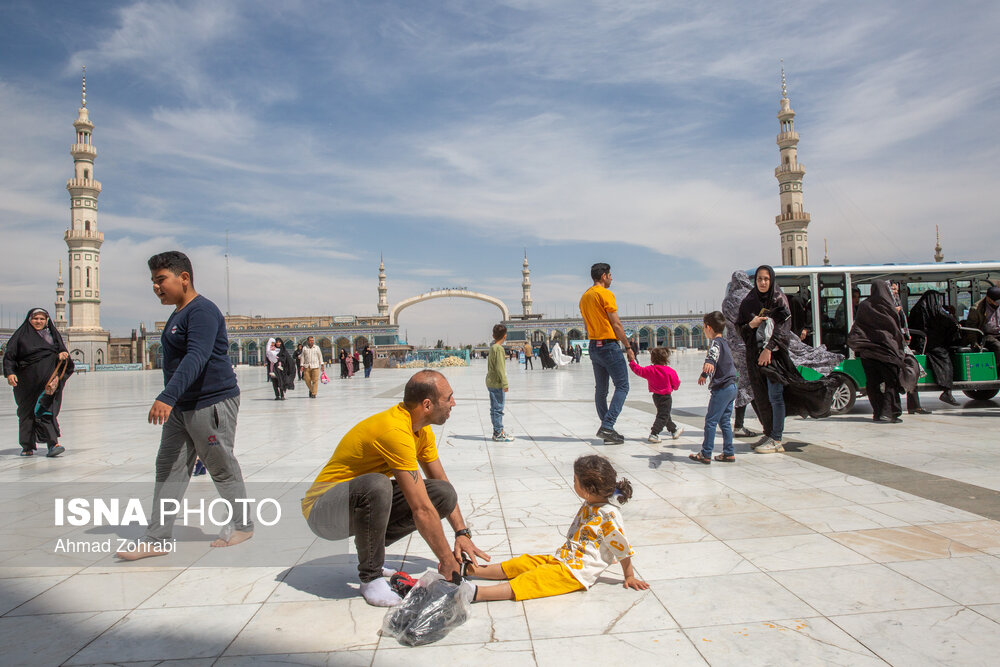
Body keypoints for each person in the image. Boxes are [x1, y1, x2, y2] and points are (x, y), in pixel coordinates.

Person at [302, 370, 489, 607]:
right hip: (322, 511)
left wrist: (462, 533)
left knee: (443, 494)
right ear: (428, 405)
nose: (453, 403)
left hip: (352, 505)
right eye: (448, 398)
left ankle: (373, 553)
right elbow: (421, 508)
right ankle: (370, 577)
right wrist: (447, 563)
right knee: (377, 486)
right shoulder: (395, 431)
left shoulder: (421, 430)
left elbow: (440, 481)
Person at [117, 251, 253, 560]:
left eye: (161, 279)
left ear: (184, 278)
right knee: (169, 468)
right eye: (153, 281)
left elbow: (197, 356)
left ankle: (243, 525)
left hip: (211, 402)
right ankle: (156, 538)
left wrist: (167, 395)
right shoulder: (179, 312)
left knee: (220, 465)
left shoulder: (201, 311)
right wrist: (174, 397)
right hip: (183, 405)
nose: (156, 287)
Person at [463, 455, 648, 602]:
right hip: (562, 559)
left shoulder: (609, 515)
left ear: (588, 489)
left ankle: (475, 593)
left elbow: (621, 548)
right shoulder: (591, 502)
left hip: (574, 573)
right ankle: (470, 570)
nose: (573, 483)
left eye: (575, 480)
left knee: (532, 580)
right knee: (524, 562)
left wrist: (629, 575)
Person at [737, 265, 838, 454]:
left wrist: (768, 349)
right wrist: (752, 323)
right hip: (755, 357)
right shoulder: (749, 302)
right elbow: (740, 328)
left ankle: (777, 438)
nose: (763, 282)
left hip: (775, 356)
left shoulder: (778, 300)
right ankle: (769, 432)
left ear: (772, 280)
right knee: (762, 397)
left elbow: (783, 328)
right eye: (759, 279)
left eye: (766, 279)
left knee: (775, 395)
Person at [3, 308, 74, 457]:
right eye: (36, 319)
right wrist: (10, 373)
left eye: (42, 319)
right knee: (26, 414)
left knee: (45, 410)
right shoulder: (20, 336)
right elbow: (9, 356)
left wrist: (63, 354)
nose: (39, 321)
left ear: (47, 320)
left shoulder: (52, 336)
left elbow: (63, 351)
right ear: (30, 319)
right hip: (26, 383)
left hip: (48, 383)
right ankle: (27, 446)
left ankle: (53, 444)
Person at [579, 263, 635, 445]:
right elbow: (616, 324)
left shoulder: (585, 297)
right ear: (603, 276)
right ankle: (608, 426)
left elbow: (587, 326)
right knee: (622, 386)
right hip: (609, 346)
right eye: (610, 275)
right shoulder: (605, 294)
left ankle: (606, 429)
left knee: (601, 390)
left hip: (594, 346)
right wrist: (628, 347)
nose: (611, 278)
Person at [849, 280, 907, 423]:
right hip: (887, 351)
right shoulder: (889, 306)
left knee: (873, 384)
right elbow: (895, 329)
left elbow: (858, 326)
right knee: (891, 382)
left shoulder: (864, 305)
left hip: (868, 353)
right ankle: (888, 412)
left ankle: (877, 411)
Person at [689, 312, 739, 463]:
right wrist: (705, 373)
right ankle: (729, 452)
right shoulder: (725, 342)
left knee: (711, 421)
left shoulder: (715, 343)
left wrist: (707, 367)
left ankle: (706, 453)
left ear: (708, 327)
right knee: (724, 421)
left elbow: (713, 356)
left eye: (704, 327)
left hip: (722, 388)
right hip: (732, 387)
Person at [909, 290, 961, 406]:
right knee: (945, 359)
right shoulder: (937, 311)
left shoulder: (915, 309)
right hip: (932, 344)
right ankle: (947, 390)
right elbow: (952, 323)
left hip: (919, 343)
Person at [890, 282, 931, 415]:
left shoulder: (897, 302)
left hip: (902, 344)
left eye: (896, 289)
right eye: (893, 289)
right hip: (892, 345)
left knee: (913, 370)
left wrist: (906, 335)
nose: (896, 292)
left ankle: (914, 405)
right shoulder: (884, 304)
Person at [628, 347, 682, 443]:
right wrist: (674, 387)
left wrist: (632, 361)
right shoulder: (670, 371)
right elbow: (676, 384)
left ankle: (674, 430)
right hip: (666, 397)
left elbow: (638, 370)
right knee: (663, 415)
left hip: (656, 397)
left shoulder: (650, 370)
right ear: (666, 358)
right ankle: (654, 433)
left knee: (665, 414)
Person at [486, 324, 514, 442]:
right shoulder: (499, 349)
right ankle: (498, 433)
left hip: (490, 381)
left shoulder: (492, 348)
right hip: (497, 382)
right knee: (498, 408)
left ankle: (496, 431)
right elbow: (500, 368)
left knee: (494, 409)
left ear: (493, 335)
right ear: (505, 336)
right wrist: (505, 383)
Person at [964, 286, 1000, 363]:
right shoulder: (977, 308)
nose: (997, 304)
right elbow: (971, 326)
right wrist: (974, 341)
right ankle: (997, 369)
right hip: (986, 335)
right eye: (996, 301)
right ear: (988, 298)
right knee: (997, 346)